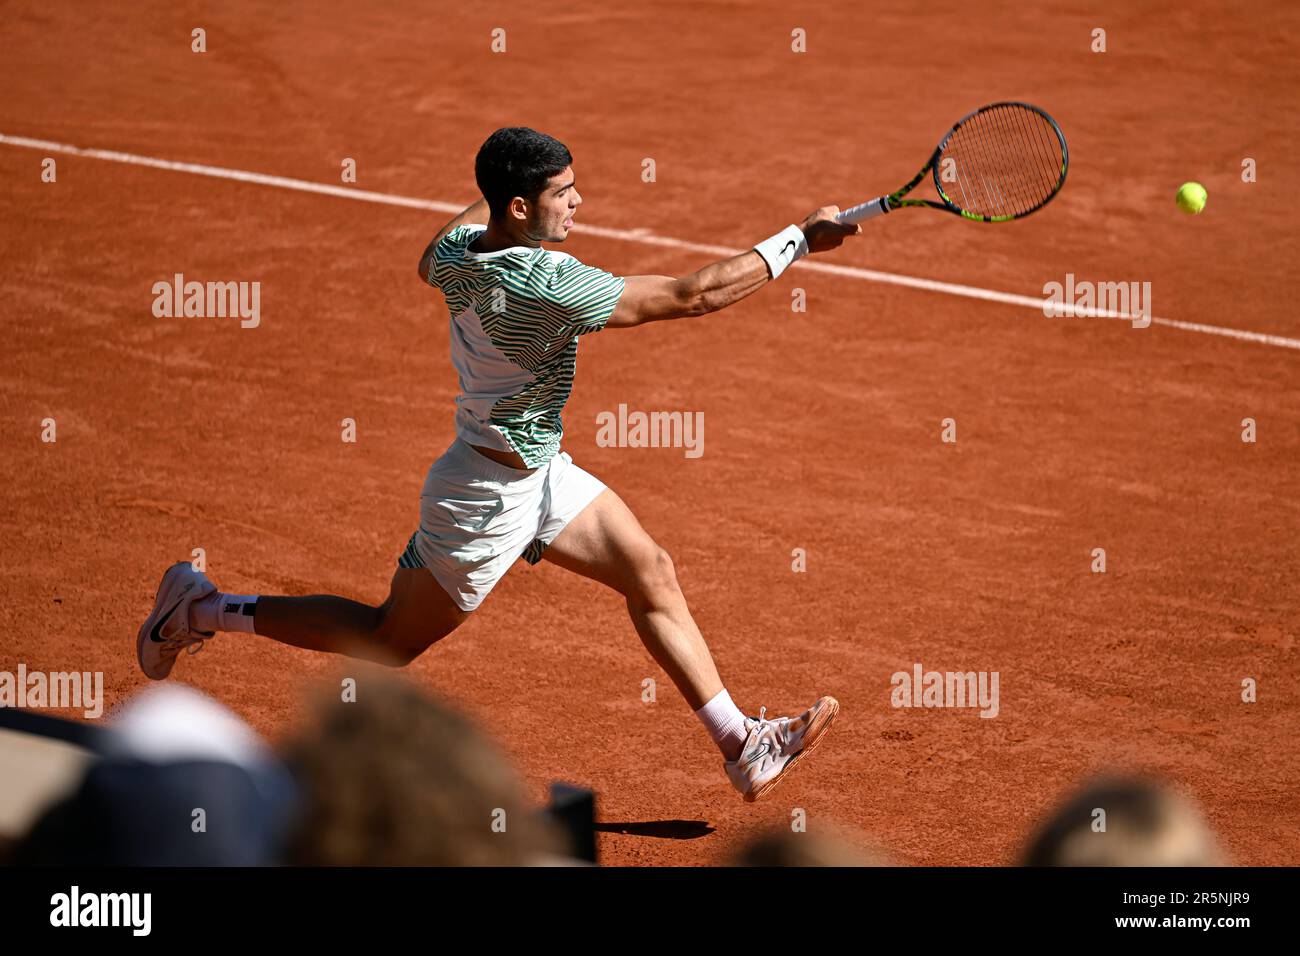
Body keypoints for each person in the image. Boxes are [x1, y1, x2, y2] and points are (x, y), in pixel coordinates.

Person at [137, 126, 857, 802]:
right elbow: (692, 294)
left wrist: (494, 187)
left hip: (537, 469)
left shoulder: (458, 254)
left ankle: (742, 744)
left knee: (650, 570)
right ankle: (199, 608)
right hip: (483, 499)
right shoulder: (546, 284)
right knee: (387, 641)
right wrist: (800, 236)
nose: (580, 202)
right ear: (520, 207)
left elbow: (430, 255)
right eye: (562, 193)